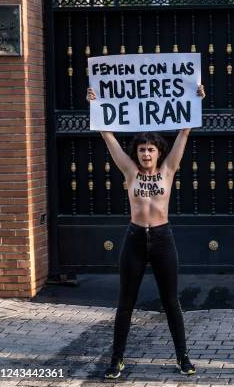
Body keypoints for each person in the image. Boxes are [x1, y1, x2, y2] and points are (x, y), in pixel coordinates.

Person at [86, 85, 205, 378]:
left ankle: (183, 357)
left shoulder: (168, 170)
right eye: (141, 149)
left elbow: (184, 134)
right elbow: (107, 136)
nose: (146, 154)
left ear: (159, 152)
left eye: (151, 149)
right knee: (125, 301)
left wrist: (195, 100)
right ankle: (116, 360)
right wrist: (95, 104)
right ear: (136, 153)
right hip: (135, 239)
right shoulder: (129, 171)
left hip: (163, 239)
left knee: (171, 301)